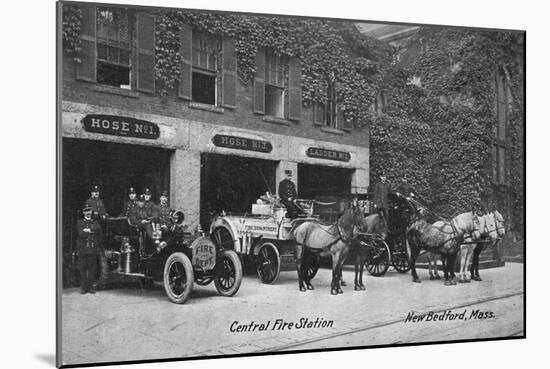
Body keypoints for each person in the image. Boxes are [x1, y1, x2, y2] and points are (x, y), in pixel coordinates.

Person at [84, 185, 109, 286]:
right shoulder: (88, 202)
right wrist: (99, 215)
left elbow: (103, 211)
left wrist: (105, 215)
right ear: (91, 193)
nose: (96, 194)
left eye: (97, 192)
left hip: (100, 226)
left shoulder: (100, 201)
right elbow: (89, 214)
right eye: (94, 192)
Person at [76, 204, 103, 294]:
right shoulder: (80, 222)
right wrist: (87, 231)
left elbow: (99, 233)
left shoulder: (95, 222)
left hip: (92, 249)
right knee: (83, 269)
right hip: (83, 249)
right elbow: (80, 233)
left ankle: (90, 287)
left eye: (89, 211)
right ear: (83, 212)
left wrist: (87, 230)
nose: (88, 213)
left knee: (92, 269)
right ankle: (84, 288)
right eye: (86, 211)